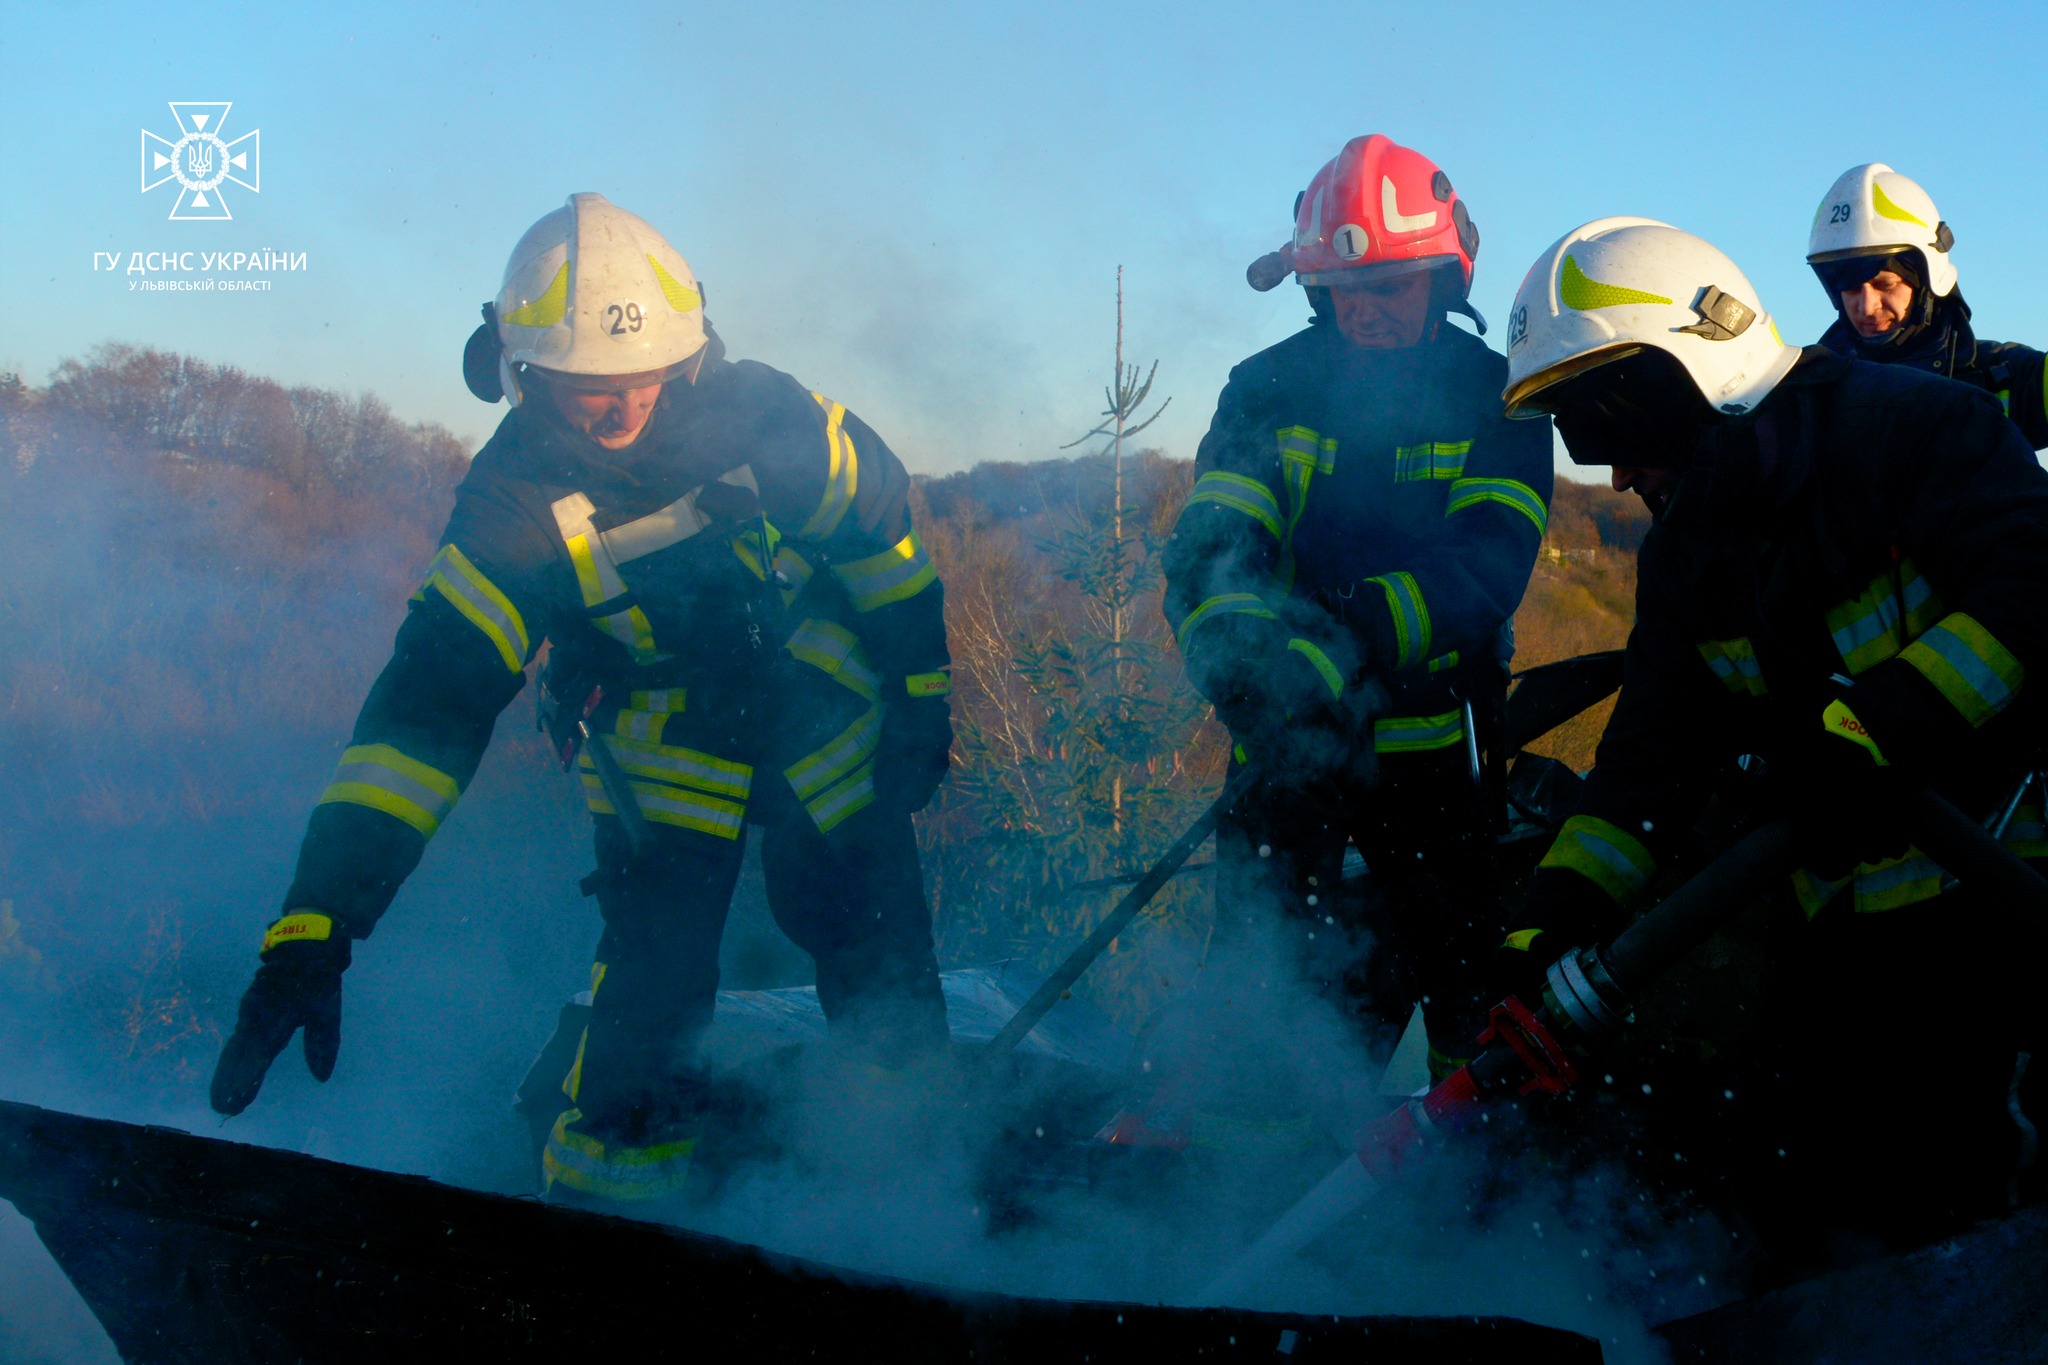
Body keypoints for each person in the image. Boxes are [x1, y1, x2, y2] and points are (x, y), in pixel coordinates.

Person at [209, 194, 955, 1204]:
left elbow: (884, 552)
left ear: (687, 348)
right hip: (665, 743)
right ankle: (612, 1214)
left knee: (876, 950)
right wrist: (319, 917)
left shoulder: (770, 419)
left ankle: (914, 1191)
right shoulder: (511, 507)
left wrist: (920, 697)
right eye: (585, 388)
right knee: (650, 998)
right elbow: (426, 711)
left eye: (643, 375)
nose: (621, 407)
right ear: (519, 373)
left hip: (821, 708)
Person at [1497, 216, 2048, 1260]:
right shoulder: (1685, 557)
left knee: (1979, 1222)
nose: (1612, 476)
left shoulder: (1916, 431)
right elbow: (1646, 765)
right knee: (1800, 1209)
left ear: (1686, 381)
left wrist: (1885, 724)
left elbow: (2032, 586)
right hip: (1837, 937)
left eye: (1606, 430)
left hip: (2000, 904)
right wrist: (1550, 920)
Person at [1161, 134, 1553, 1086]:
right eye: (1345, 289)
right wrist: (1252, 683)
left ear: (1442, 278)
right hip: (1285, 740)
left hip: (1440, 757)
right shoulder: (1268, 389)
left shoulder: (1497, 393)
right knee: (1258, 980)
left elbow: (1487, 563)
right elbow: (1210, 557)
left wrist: (1341, 638)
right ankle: (1254, 1158)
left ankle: (1468, 1156)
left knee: (1464, 985)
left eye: (1390, 285)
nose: (1366, 309)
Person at [1807, 163, 2046, 447]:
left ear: (1926, 281)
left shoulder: (2006, 377)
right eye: (1851, 288)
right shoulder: (1807, 393)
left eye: (1885, 285)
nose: (1867, 307)